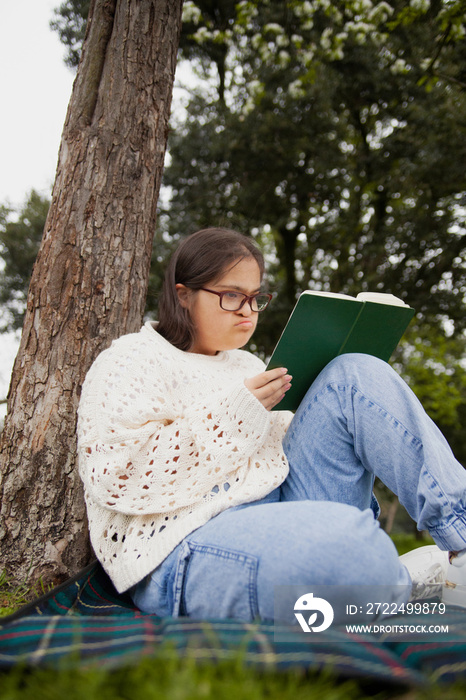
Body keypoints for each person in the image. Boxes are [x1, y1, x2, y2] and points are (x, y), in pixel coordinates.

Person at [77, 227, 466, 626]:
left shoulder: (249, 365)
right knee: (349, 544)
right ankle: (407, 583)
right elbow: (116, 478)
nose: (248, 311)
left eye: (256, 297)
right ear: (183, 295)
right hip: (188, 542)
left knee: (356, 372)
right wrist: (234, 413)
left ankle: (462, 540)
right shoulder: (130, 360)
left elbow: (279, 460)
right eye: (232, 296)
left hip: (285, 507)